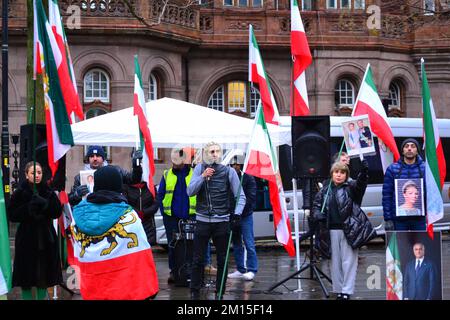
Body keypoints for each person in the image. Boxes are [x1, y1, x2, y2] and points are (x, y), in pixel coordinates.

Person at [71, 166, 159, 300]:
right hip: (123, 291)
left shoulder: (77, 219)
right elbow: (142, 257)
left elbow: (78, 255)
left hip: (93, 290)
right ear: (119, 187)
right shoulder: (129, 217)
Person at [187, 142, 246, 300]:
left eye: (217, 151)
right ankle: (195, 291)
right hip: (202, 221)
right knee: (198, 259)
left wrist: (237, 214)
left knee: (222, 259)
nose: (215, 154)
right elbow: (190, 192)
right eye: (211, 151)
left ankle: (220, 291)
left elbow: (240, 196)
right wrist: (202, 177)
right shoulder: (199, 169)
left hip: (222, 222)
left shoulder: (229, 172)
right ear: (206, 153)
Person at [312, 159, 374, 300]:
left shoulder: (351, 188)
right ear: (332, 174)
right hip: (330, 231)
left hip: (349, 230)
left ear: (346, 175)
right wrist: (317, 214)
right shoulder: (325, 191)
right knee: (335, 262)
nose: (339, 175)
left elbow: (360, 187)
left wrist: (364, 174)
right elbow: (316, 206)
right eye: (336, 172)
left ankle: (346, 291)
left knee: (349, 262)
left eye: (342, 172)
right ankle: (339, 289)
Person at [8, 161, 63, 300]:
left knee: (43, 276)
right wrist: (27, 208)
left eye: (39, 172)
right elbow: (13, 215)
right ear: (26, 175)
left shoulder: (48, 191)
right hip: (26, 239)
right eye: (33, 173)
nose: (37, 175)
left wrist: (45, 204)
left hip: (45, 239)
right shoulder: (20, 192)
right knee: (26, 278)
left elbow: (57, 212)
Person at [157, 148, 197, 283]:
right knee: (172, 246)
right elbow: (160, 195)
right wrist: (164, 214)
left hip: (190, 217)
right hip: (172, 218)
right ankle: (174, 272)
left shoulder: (194, 174)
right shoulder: (167, 174)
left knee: (190, 246)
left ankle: (188, 273)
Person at [68, 145, 142, 206]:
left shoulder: (116, 171)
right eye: (91, 156)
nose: (95, 159)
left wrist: (136, 167)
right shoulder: (80, 177)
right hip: (90, 213)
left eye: (98, 156)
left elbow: (134, 180)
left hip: (113, 209)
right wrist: (76, 195)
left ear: (103, 158)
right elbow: (71, 201)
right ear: (88, 159)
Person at [382, 138, 426, 231]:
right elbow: (387, 195)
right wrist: (388, 218)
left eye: (413, 146)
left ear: (417, 151)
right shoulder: (392, 169)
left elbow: (430, 193)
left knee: (419, 245)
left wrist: (431, 213)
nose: (409, 149)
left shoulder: (425, 169)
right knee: (401, 245)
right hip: (399, 220)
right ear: (402, 151)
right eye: (406, 146)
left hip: (419, 219)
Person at [227, 155, 258, 281]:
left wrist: (239, 212)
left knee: (249, 243)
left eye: (237, 164)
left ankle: (252, 269)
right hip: (233, 215)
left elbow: (250, 198)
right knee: (236, 243)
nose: (235, 167)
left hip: (245, 215)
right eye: (233, 164)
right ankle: (240, 269)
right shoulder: (228, 178)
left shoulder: (248, 178)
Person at [123, 176, 159, 246]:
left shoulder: (150, 187)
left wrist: (144, 213)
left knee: (147, 247)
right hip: (132, 222)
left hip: (148, 224)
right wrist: (137, 213)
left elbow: (156, 204)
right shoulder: (126, 188)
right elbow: (125, 203)